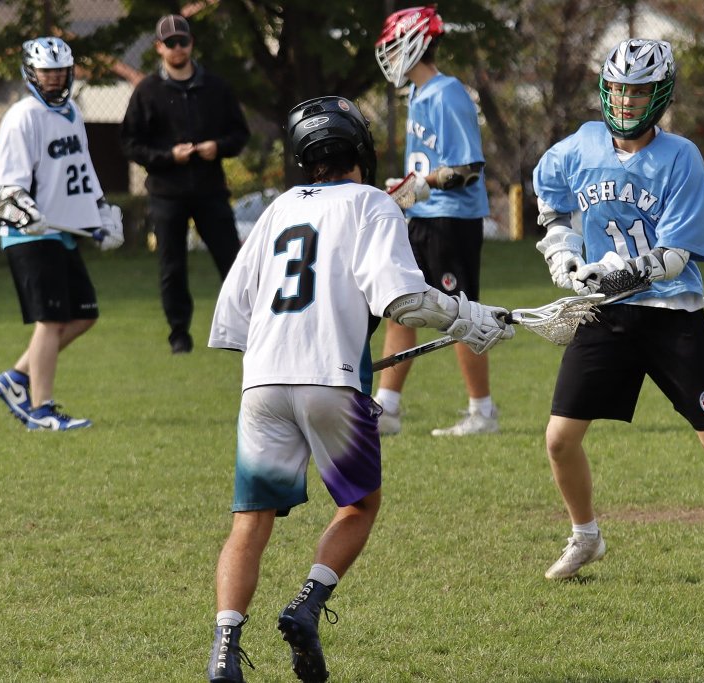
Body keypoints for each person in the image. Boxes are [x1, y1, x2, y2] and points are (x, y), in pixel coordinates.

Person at [204, 96, 513, 683]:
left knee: (251, 521)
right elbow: (402, 299)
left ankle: (224, 646)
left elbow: (233, 313)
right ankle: (307, 604)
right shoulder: (374, 204)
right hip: (332, 385)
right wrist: (469, 316)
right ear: (360, 151)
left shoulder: (277, 208)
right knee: (358, 505)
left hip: (262, 383)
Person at [531, 38, 704, 582]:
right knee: (559, 438)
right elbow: (549, 192)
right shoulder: (584, 144)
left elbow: (675, 256)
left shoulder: (680, 156)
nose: (624, 100)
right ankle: (585, 536)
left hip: (670, 311)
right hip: (605, 314)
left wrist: (617, 271)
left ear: (659, 95)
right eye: (617, 88)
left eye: (637, 90)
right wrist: (564, 251)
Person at [372, 6, 498, 436]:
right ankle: (386, 409)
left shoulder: (448, 92)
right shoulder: (418, 95)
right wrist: (407, 189)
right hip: (423, 219)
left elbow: (468, 168)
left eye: (393, 47)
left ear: (415, 44)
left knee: (461, 314)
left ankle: (482, 412)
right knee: (401, 309)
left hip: (450, 221)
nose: (389, 56)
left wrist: (419, 184)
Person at [0, 37, 124, 432]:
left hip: (62, 233)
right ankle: (41, 410)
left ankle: (16, 377)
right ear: (31, 73)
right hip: (30, 235)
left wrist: (99, 213)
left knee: (83, 315)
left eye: (60, 71)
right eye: (46, 71)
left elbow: (81, 170)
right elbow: (7, 184)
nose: (53, 78)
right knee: (51, 320)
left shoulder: (71, 113)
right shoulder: (22, 116)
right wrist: (24, 207)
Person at [120, 14, 249, 354]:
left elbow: (240, 134)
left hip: (210, 190)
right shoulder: (147, 91)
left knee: (232, 261)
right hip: (167, 193)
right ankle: (179, 334)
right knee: (172, 265)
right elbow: (131, 144)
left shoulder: (216, 88)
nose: (178, 48)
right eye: (171, 43)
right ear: (159, 47)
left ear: (191, 43)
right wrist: (167, 156)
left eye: (183, 41)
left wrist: (217, 148)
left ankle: (247, 328)